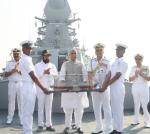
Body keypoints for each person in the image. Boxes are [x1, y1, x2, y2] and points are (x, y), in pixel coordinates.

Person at [19, 41, 50, 134]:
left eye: (30, 48)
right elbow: (33, 76)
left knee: (27, 111)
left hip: (26, 85)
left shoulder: (24, 59)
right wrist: (43, 88)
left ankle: (26, 131)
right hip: (28, 87)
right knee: (28, 112)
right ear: (23, 49)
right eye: (27, 48)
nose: (29, 49)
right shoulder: (26, 59)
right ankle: (27, 132)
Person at [59, 48, 89, 134]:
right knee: (68, 109)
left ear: (76, 54)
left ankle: (78, 126)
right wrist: (63, 84)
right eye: (71, 53)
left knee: (79, 110)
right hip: (68, 90)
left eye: (74, 53)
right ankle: (67, 126)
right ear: (69, 55)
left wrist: (84, 85)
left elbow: (85, 76)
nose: (73, 55)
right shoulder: (65, 64)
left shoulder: (81, 64)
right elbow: (62, 75)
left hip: (78, 90)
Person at [87, 43, 112, 134]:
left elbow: (109, 74)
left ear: (103, 51)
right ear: (95, 51)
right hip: (95, 87)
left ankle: (108, 128)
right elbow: (89, 73)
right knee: (96, 108)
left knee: (106, 107)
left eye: (100, 50)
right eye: (97, 50)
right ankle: (99, 127)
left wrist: (104, 86)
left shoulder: (107, 61)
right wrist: (91, 85)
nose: (98, 52)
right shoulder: (91, 61)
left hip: (104, 87)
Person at [35, 49, 58, 132]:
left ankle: (49, 125)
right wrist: (44, 72)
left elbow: (56, 76)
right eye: (45, 55)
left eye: (48, 55)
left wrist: (50, 73)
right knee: (40, 107)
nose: (47, 56)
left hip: (50, 89)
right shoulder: (37, 65)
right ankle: (40, 125)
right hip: (41, 89)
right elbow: (36, 76)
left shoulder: (52, 65)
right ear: (42, 56)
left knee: (49, 108)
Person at [109, 43, 128, 134]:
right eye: (116, 50)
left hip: (118, 87)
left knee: (119, 109)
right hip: (112, 87)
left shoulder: (124, 63)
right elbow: (110, 75)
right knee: (114, 109)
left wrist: (106, 85)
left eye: (119, 50)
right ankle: (115, 128)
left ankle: (119, 130)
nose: (117, 51)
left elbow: (117, 76)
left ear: (123, 51)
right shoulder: (113, 63)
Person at [129, 54, 150, 128]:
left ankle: (147, 122)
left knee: (145, 104)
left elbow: (148, 78)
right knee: (136, 104)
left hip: (144, 87)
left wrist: (141, 74)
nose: (137, 60)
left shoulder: (145, 68)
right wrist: (135, 75)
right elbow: (130, 79)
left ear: (142, 59)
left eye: (139, 59)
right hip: (135, 86)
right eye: (136, 59)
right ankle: (136, 120)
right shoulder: (133, 68)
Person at [5, 48, 22, 125]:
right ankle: (9, 118)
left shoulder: (23, 62)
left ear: (20, 54)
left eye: (17, 54)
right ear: (13, 54)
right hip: (11, 83)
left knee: (21, 102)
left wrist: (18, 71)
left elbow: (26, 75)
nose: (16, 55)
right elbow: (5, 74)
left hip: (20, 83)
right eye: (14, 54)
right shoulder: (9, 63)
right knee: (11, 101)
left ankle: (22, 118)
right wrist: (13, 71)